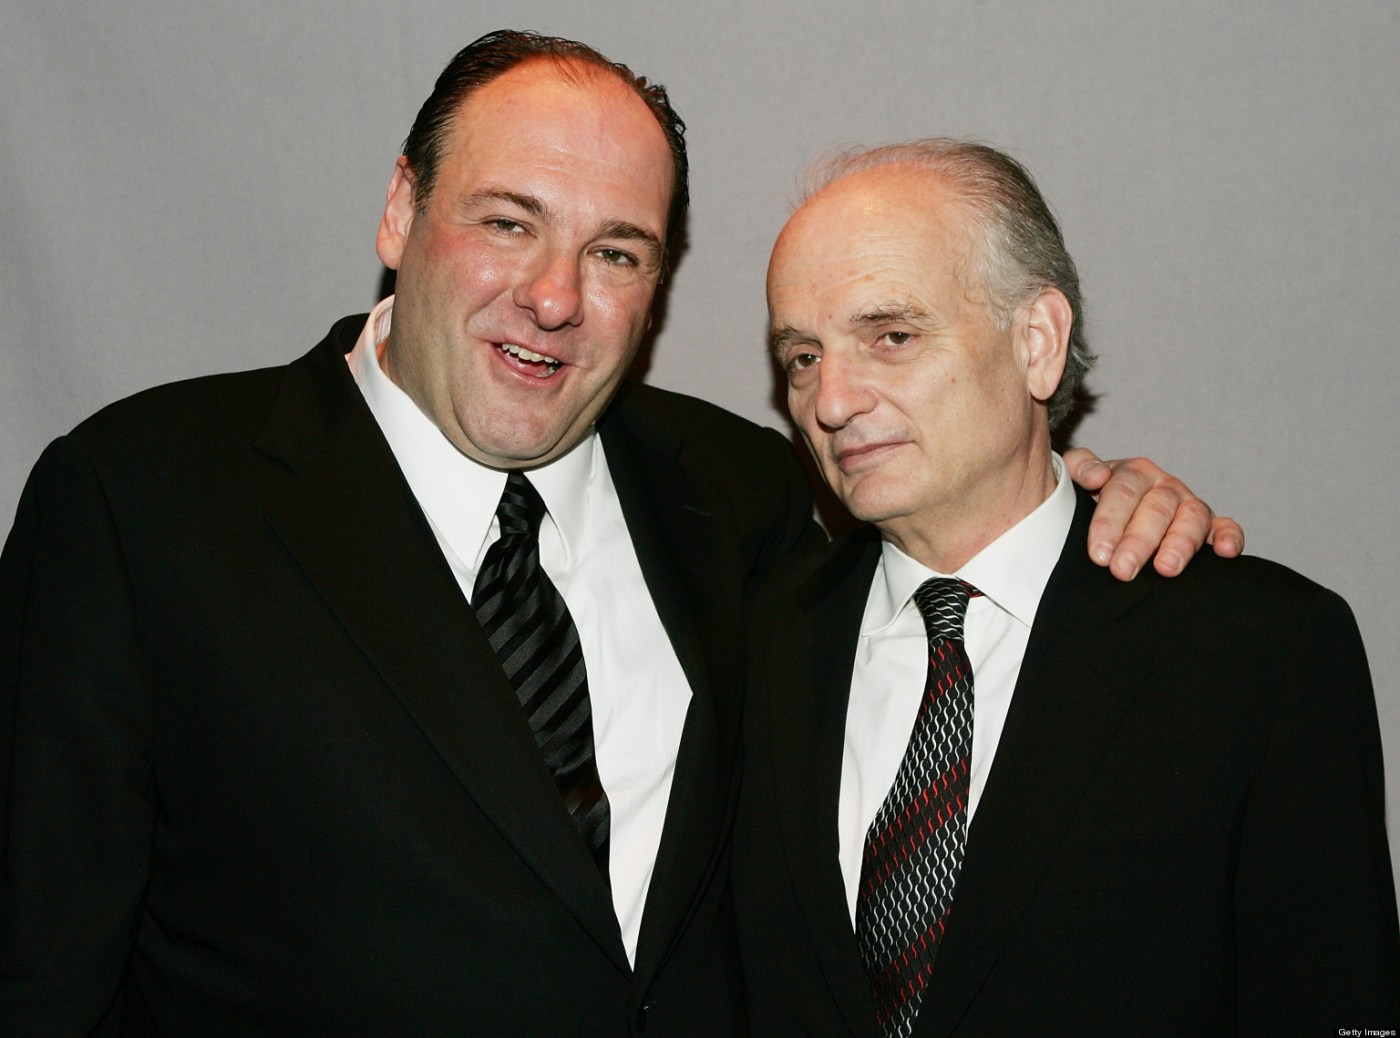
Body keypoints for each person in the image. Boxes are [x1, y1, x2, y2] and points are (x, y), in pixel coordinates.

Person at [0, 32, 1236, 1035]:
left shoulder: (744, 495)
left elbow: (945, 597)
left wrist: (1081, 499)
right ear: (399, 209)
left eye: (615, 251)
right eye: (507, 222)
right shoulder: (141, 503)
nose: (553, 296)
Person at [733, 138, 1399, 1036]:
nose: (832, 400)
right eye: (803, 357)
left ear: (1038, 343)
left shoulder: (1259, 651)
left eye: (891, 336)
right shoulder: (756, 641)